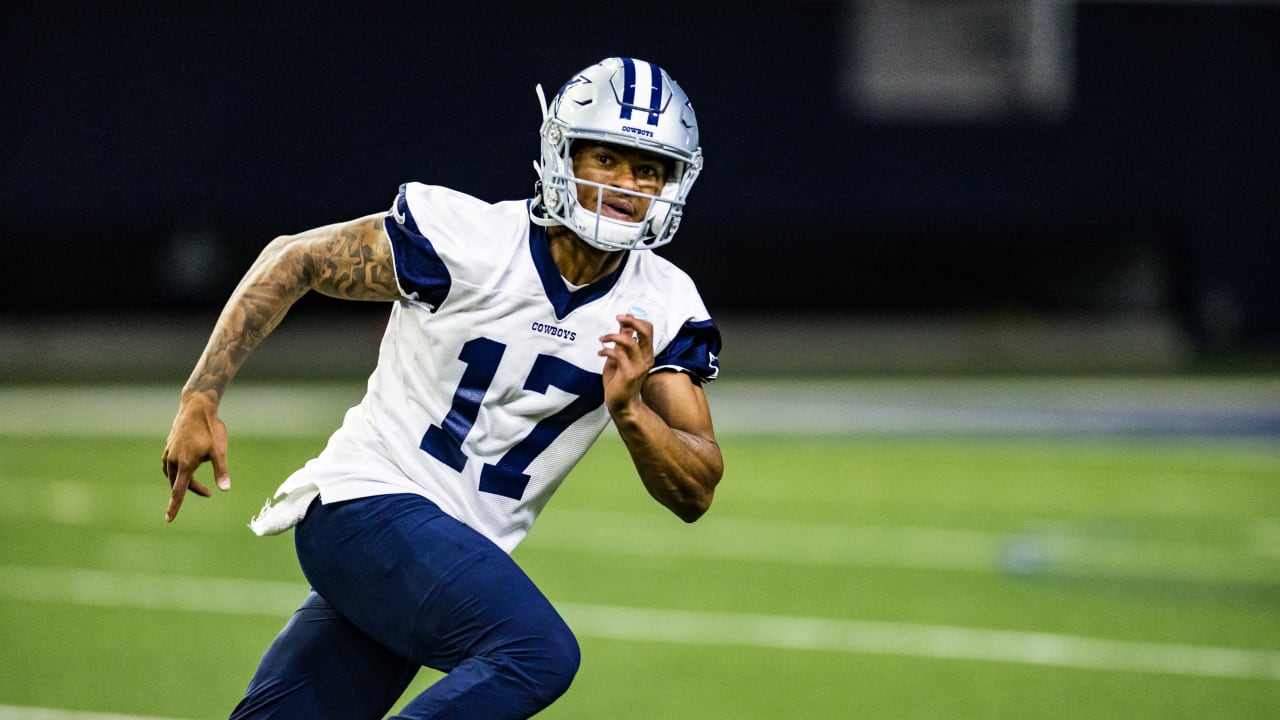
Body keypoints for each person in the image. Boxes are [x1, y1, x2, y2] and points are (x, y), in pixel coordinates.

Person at [161, 57, 723, 719]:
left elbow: (697, 489)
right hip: (366, 504)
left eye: (648, 169)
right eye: (607, 158)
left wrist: (629, 413)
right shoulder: (472, 240)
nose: (626, 185)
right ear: (562, 153)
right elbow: (297, 258)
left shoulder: (663, 301)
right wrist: (200, 396)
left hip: (440, 557)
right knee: (535, 651)